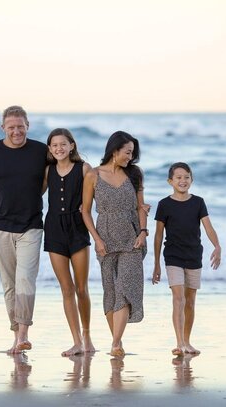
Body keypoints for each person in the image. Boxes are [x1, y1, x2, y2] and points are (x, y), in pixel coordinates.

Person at [0, 105, 47, 354]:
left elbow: (52, 177)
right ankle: (16, 337)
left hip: (31, 226)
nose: (16, 131)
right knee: (9, 284)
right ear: (3, 127)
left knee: (25, 280)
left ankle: (23, 334)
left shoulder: (40, 150)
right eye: (11, 127)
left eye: (21, 126)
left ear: (28, 126)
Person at [81, 130, 148, 357]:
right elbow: (86, 212)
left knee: (125, 288)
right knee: (110, 291)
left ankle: (116, 343)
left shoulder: (135, 174)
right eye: (127, 152)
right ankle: (116, 343)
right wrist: (97, 239)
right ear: (114, 150)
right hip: (105, 238)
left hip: (132, 237)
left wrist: (143, 232)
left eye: (132, 153)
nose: (130, 157)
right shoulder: (93, 175)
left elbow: (141, 206)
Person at [152, 162, 221, 356]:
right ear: (170, 181)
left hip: (193, 255)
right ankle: (179, 342)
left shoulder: (198, 202)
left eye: (187, 177)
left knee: (190, 301)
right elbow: (158, 236)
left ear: (191, 179)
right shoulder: (164, 204)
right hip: (173, 256)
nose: (183, 181)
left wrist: (217, 246)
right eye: (178, 177)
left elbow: (208, 227)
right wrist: (156, 263)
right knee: (178, 298)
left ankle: (188, 341)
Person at [43, 128, 95, 357]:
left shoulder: (84, 169)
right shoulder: (47, 171)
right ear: (49, 149)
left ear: (72, 145)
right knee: (66, 288)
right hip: (54, 229)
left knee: (81, 288)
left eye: (63, 144)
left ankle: (87, 335)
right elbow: (32, 195)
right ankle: (76, 342)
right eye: (54, 145)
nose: (59, 149)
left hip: (77, 229)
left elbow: (97, 196)